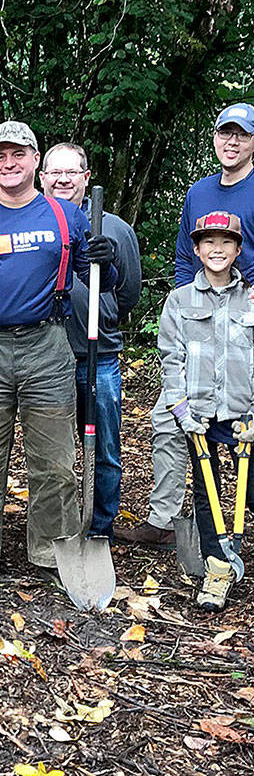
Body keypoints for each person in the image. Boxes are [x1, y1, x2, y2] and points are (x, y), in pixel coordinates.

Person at [0, 120, 119, 586]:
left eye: (18, 155)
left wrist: (103, 261)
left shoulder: (65, 217)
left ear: (35, 160)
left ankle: (53, 552)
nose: (8, 164)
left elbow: (100, 288)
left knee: (54, 461)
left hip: (47, 347)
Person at [118, 103, 254, 548]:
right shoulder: (199, 192)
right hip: (198, 317)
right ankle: (167, 519)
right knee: (170, 419)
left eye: (242, 135)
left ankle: (235, 513)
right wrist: (187, 301)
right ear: (214, 137)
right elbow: (182, 255)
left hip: (243, 317)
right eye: (225, 133)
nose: (232, 142)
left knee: (240, 427)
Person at [39, 142, 142, 539]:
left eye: (72, 172)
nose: (63, 179)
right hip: (47, 357)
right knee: (54, 451)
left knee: (104, 449)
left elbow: (128, 291)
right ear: (42, 177)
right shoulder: (34, 223)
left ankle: (99, 526)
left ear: (86, 178)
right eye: (54, 172)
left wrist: (107, 310)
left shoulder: (114, 228)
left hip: (98, 357)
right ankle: (59, 527)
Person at [157, 211, 253, 611]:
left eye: (226, 242)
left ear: (238, 250)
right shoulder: (179, 301)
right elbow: (170, 358)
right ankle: (217, 566)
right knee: (207, 490)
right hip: (199, 414)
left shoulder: (250, 300)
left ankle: (237, 548)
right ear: (196, 250)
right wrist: (181, 409)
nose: (218, 249)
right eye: (208, 243)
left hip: (242, 412)